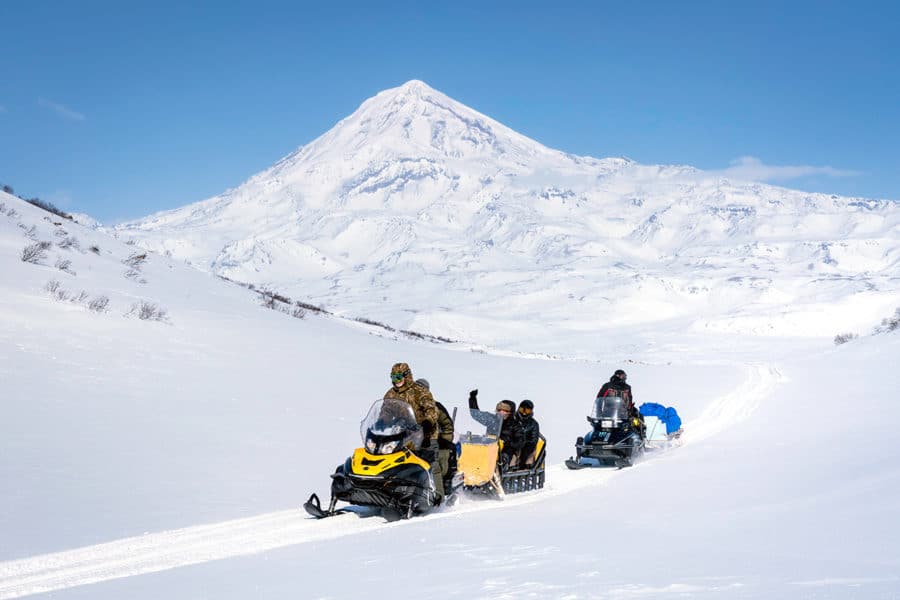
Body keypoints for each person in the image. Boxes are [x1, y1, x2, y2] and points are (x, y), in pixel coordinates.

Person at [384, 363, 445, 497]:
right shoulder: (391, 393)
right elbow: (386, 410)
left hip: (426, 434)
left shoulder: (419, 391)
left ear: (406, 376)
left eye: (399, 377)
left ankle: (438, 496)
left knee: (430, 464)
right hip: (403, 434)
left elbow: (430, 408)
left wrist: (428, 421)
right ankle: (393, 493)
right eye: (393, 377)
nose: (396, 381)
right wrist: (382, 422)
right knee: (396, 462)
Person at [415, 378, 457, 494]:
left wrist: (444, 440)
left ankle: (444, 487)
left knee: (441, 458)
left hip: (432, 440)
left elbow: (447, 425)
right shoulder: (407, 406)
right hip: (411, 441)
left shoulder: (436, 407)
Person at [468, 390, 524, 469]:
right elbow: (476, 414)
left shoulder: (516, 425)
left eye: (505, 411)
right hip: (490, 446)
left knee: (506, 453)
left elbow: (520, 441)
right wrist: (472, 399)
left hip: (505, 449)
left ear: (510, 412)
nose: (501, 412)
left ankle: (502, 468)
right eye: (499, 410)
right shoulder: (492, 419)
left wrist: (507, 441)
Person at [596, 369, 644, 435]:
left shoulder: (627, 387)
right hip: (609, 413)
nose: (624, 378)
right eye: (622, 376)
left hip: (623, 413)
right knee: (598, 426)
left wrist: (629, 410)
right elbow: (599, 398)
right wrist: (599, 412)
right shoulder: (607, 386)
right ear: (617, 376)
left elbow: (629, 400)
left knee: (637, 417)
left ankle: (640, 436)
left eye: (625, 376)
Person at [517, 399, 541, 466]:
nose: (524, 413)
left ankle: (522, 464)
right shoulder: (513, 419)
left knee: (529, 446)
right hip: (513, 442)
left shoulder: (533, 424)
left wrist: (524, 441)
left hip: (525, 444)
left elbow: (534, 440)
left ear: (531, 411)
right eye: (522, 410)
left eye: (527, 410)